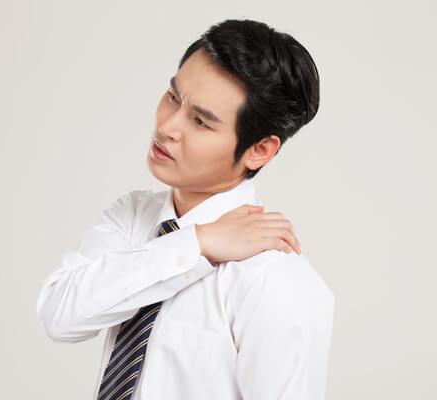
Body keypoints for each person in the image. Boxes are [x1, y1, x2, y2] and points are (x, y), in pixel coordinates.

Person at [36, 19, 334, 400]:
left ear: (259, 150)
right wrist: (197, 243)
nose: (167, 126)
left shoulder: (273, 278)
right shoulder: (134, 216)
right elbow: (59, 316)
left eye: (200, 122)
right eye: (173, 98)